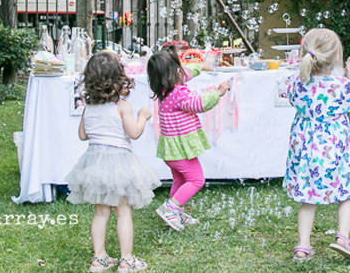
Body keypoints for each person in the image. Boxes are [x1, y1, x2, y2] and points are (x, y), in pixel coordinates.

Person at [65, 51, 161, 273]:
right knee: (123, 211)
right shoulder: (122, 106)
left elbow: (83, 135)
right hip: (119, 163)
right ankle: (126, 260)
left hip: (96, 163)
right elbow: (134, 133)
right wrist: (143, 117)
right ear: (118, 79)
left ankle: (99, 259)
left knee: (100, 212)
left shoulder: (88, 107)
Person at [284, 28, 350, 263]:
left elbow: (290, 98)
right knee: (347, 193)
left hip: (306, 150)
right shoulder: (341, 85)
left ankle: (302, 246)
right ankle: (343, 239)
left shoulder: (298, 84)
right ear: (336, 57)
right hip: (335, 148)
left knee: (308, 198)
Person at [146, 46, 230, 231]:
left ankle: (176, 214)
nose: (181, 70)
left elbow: (187, 72)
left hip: (171, 151)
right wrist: (219, 92)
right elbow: (198, 104)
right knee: (196, 180)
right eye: (176, 68)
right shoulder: (178, 94)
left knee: (180, 181)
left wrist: (202, 66)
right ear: (170, 75)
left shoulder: (164, 88)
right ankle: (170, 208)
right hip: (181, 150)